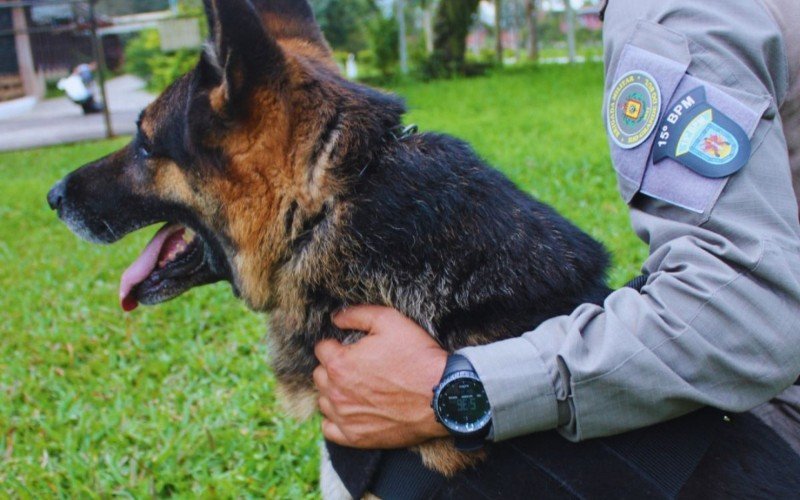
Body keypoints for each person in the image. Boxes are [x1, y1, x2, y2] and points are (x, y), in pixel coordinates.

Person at [313, 0, 800, 477]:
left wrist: (463, 391)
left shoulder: (672, 16)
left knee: (407, 460)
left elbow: (748, 311)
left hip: (779, 416)